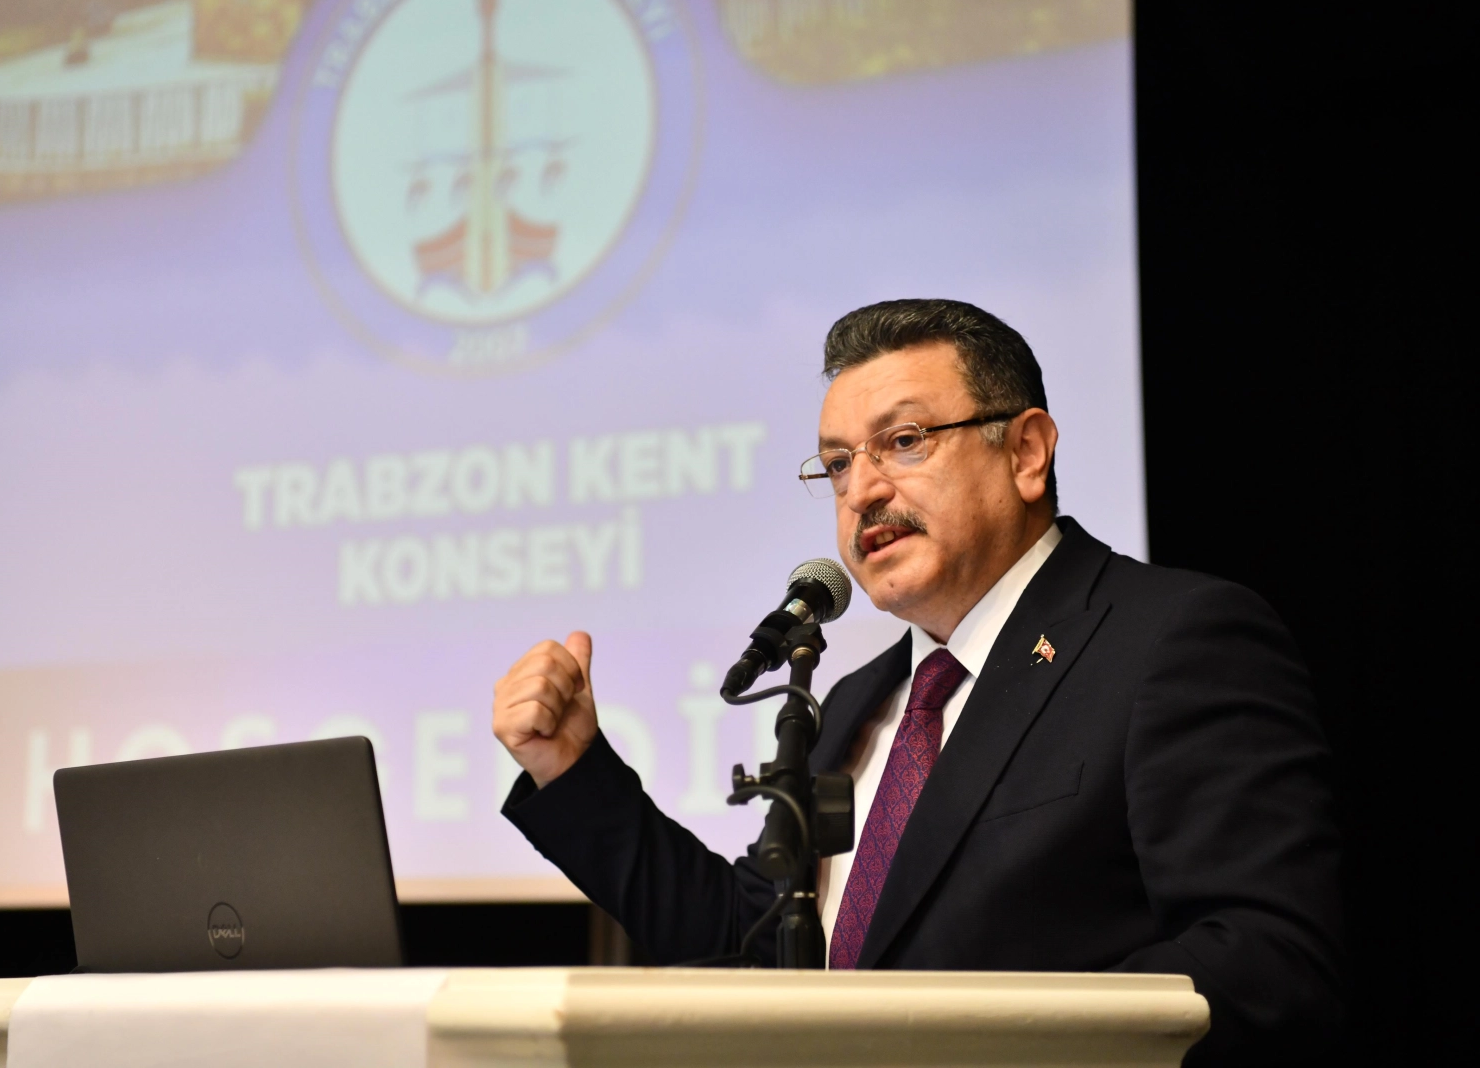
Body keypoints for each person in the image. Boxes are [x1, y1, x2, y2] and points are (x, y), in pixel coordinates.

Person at [490, 300, 1344, 1065]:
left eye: (902, 442)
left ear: (1026, 452)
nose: (861, 490)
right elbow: (753, 949)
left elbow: (1262, 959)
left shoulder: (1168, 639)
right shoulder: (855, 703)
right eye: (836, 463)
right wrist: (573, 770)